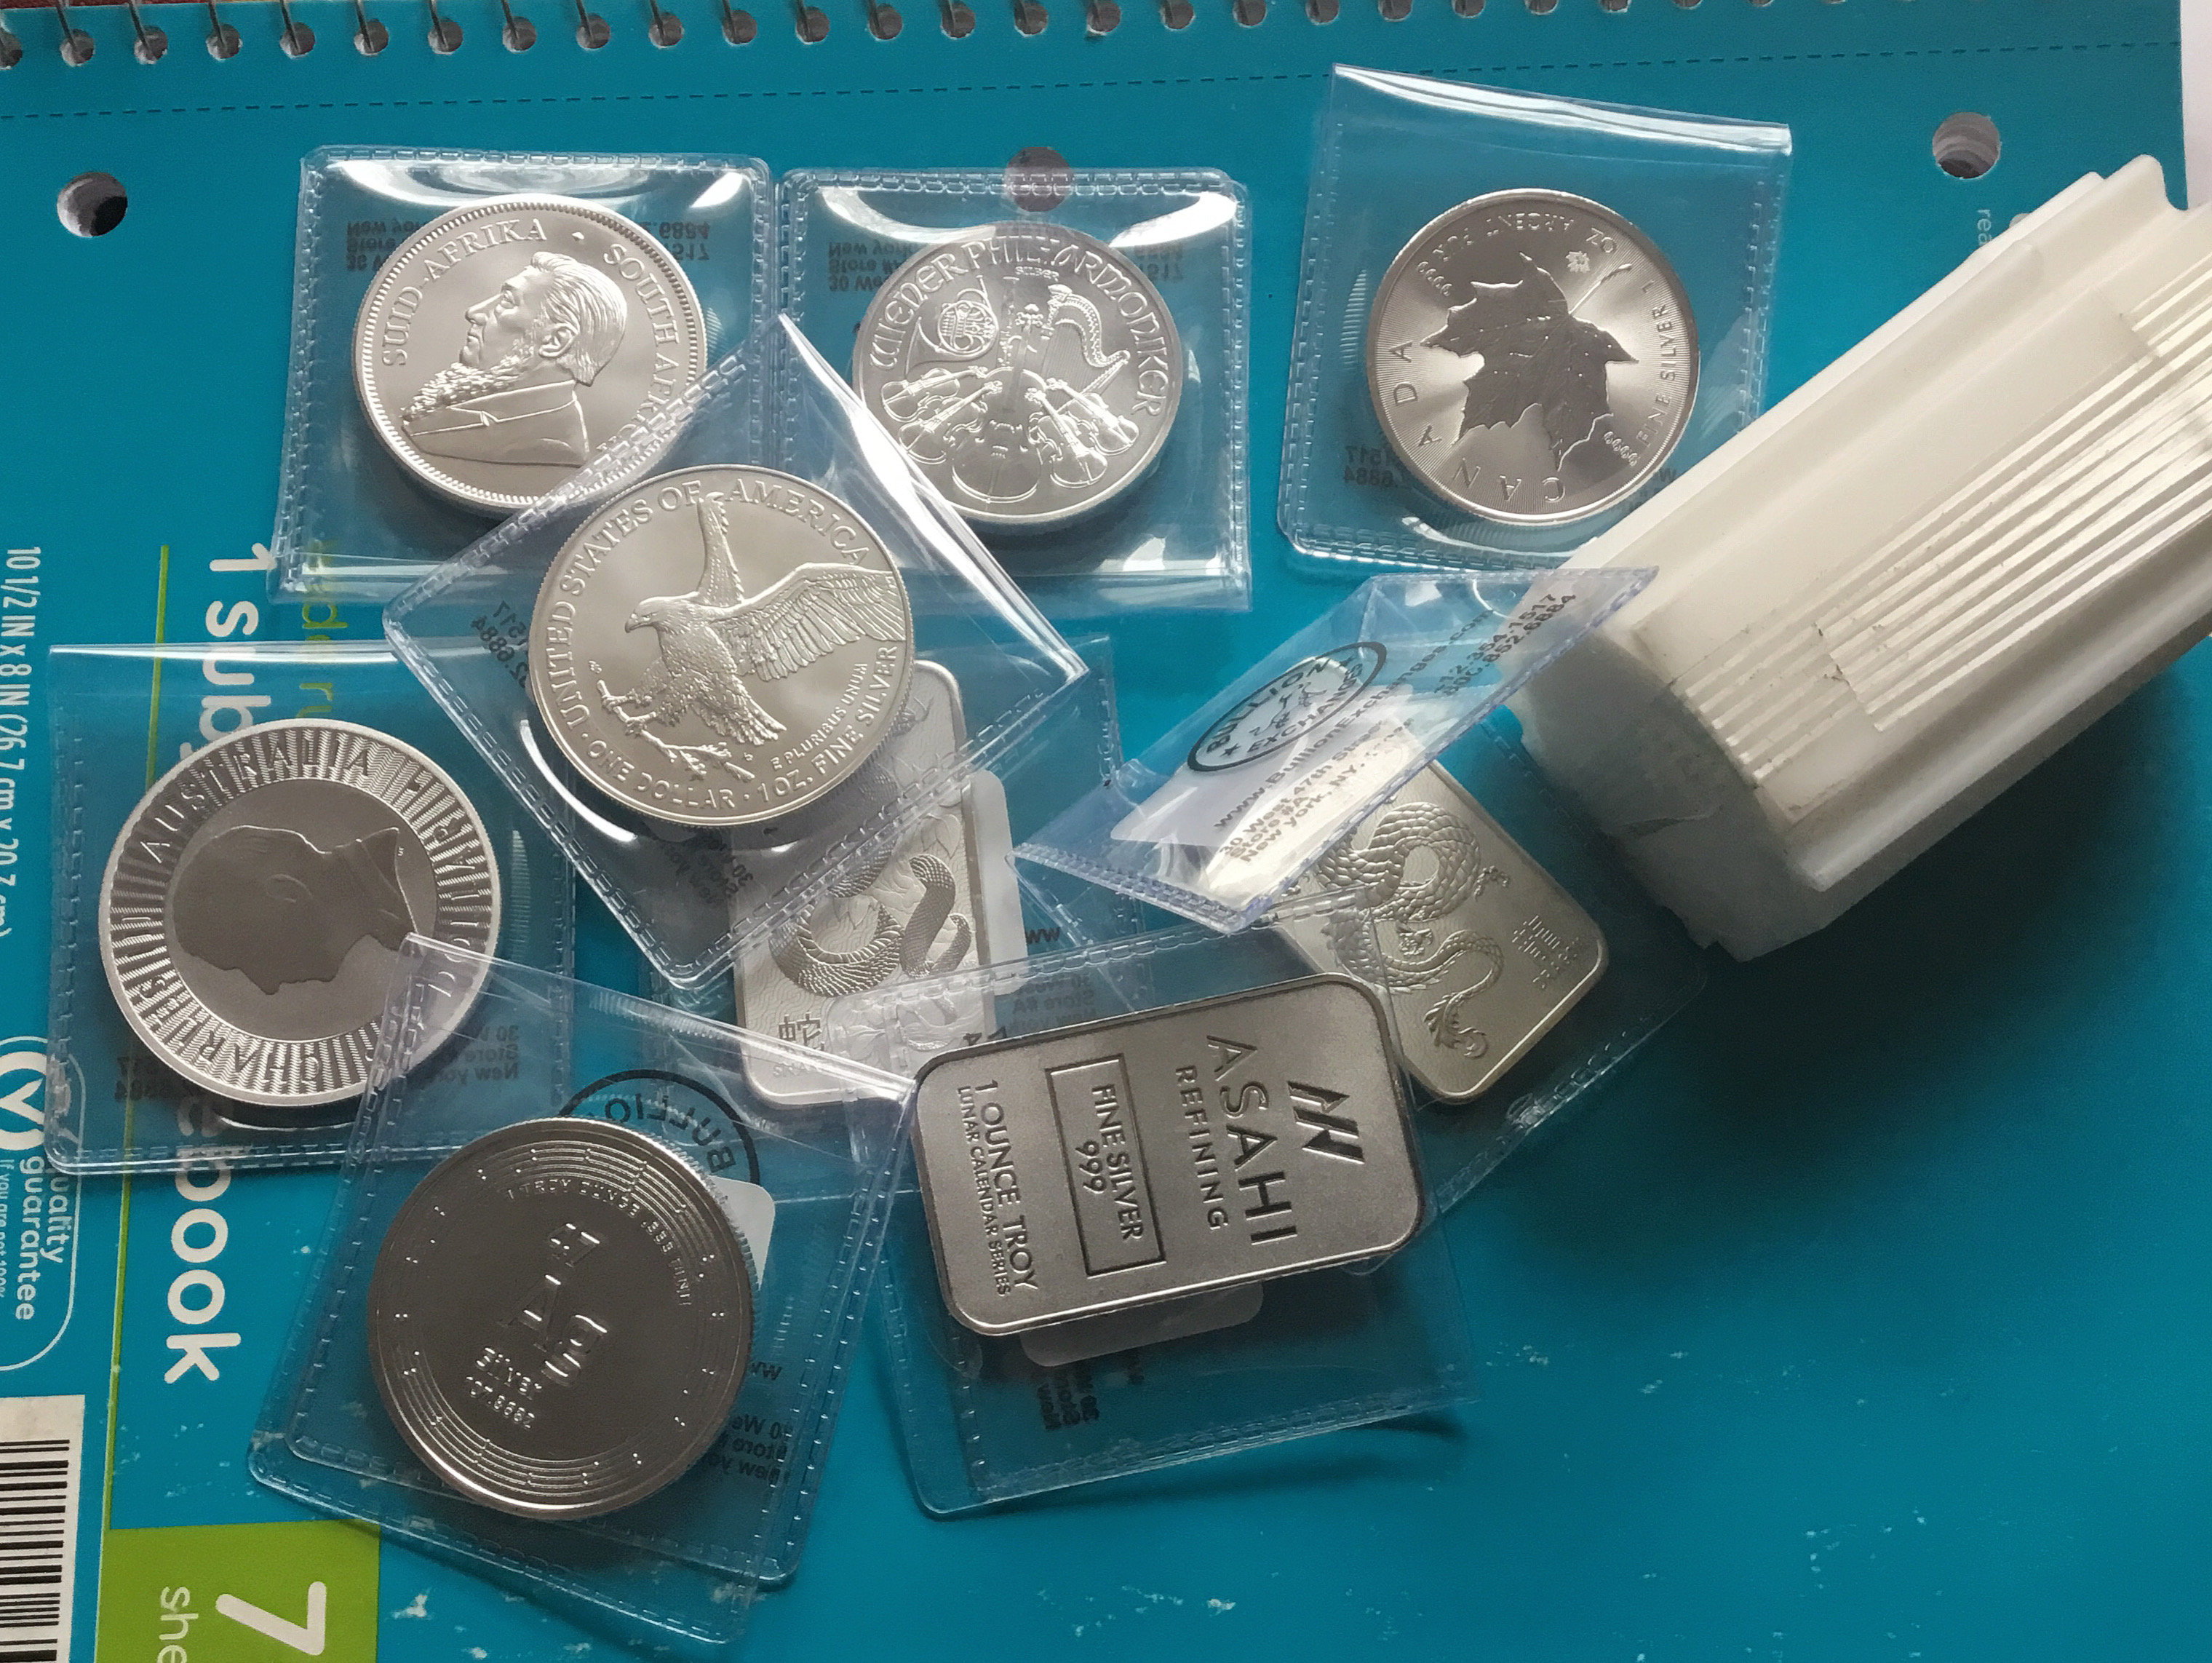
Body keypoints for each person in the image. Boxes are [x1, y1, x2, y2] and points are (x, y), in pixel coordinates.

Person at [400, 253, 629, 467]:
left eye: (508, 302)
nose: (474, 312)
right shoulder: (468, 407)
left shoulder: (550, 446)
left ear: (555, 341)